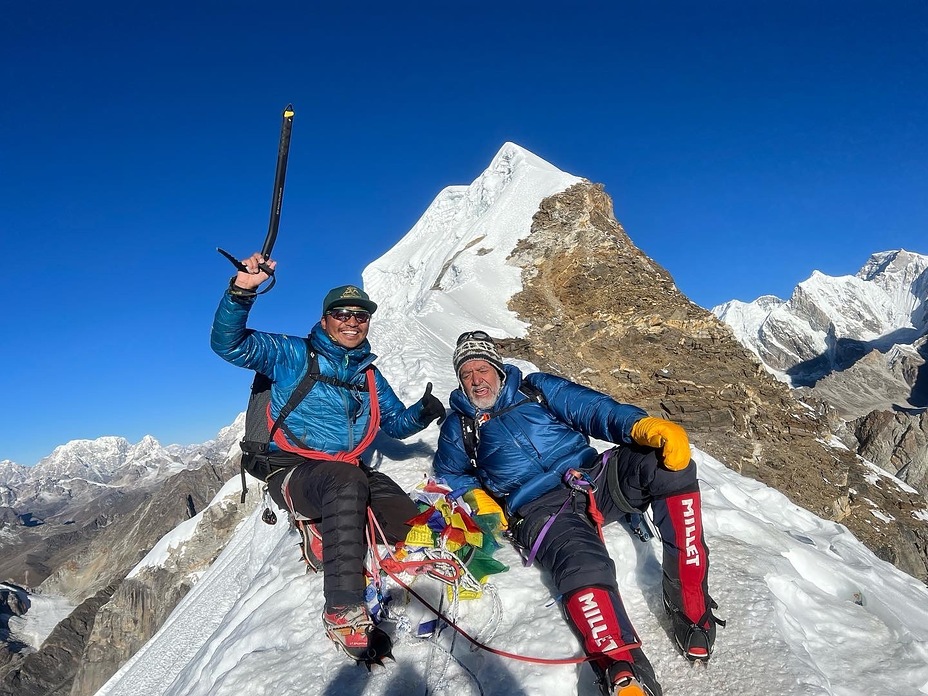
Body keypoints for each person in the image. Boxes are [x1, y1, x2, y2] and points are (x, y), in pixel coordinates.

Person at [432, 331, 722, 696]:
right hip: (540, 508)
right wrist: (478, 496)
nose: (476, 380)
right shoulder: (459, 427)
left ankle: (688, 595)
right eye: (466, 373)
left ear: (498, 368)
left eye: (482, 368)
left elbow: (593, 409)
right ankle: (620, 666)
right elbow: (450, 472)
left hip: (592, 479)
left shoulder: (534, 389)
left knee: (667, 466)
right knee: (581, 563)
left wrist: (639, 426)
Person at [210, 252, 446, 663]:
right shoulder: (290, 354)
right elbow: (228, 343)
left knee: (405, 523)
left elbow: (393, 424)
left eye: (361, 315)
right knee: (345, 481)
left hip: (342, 472)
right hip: (291, 472)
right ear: (325, 320)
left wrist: (422, 414)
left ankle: (325, 526)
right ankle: (342, 608)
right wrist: (242, 290)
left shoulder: (369, 375)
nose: (352, 321)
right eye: (342, 314)